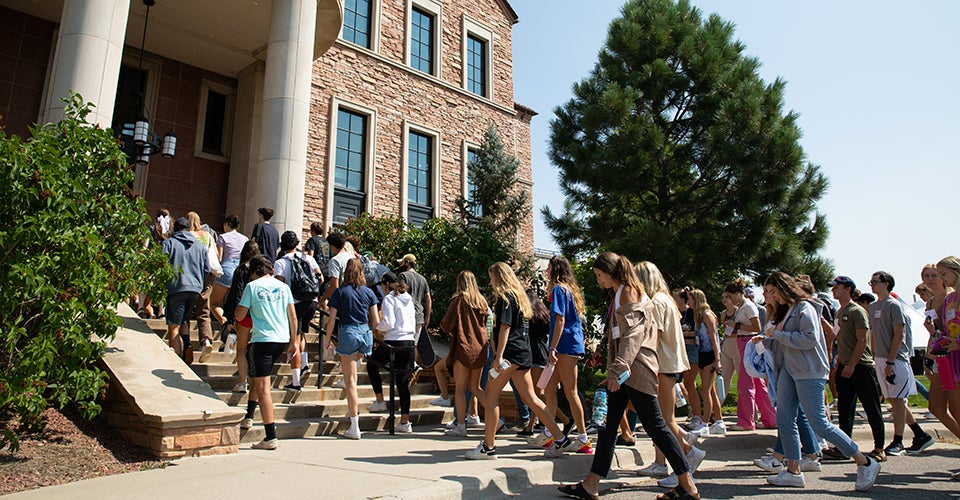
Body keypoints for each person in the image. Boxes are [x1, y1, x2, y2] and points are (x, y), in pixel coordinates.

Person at [559, 252, 698, 500]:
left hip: (635, 370)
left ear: (609, 272)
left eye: (599, 275)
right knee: (609, 427)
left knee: (657, 426)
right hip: (628, 371)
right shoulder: (627, 290)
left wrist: (618, 368)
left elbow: (633, 334)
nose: (598, 280)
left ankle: (687, 485)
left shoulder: (627, 291)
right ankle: (591, 484)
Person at [754, 271, 879, 491]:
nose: (770, 296)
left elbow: (809, 338)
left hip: (809, 372)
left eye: (773, 291)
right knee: (784, 419)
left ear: (784, 288)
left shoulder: (805, 307)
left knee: (819, 423)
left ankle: (865, 462)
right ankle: (793, 470)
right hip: (790, 371)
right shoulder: (788, 310)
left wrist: (777, 336)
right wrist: (767, 340)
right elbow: (787, 340)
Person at [465, 262, 571, 460]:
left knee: (490, 395)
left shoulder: (505, 298)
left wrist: (498, 356)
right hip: (524, 353)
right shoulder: (521, 298)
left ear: (499, 277)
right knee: (531, 398)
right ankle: (560, 437)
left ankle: (488, 447)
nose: (490, 282)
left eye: (491, 277)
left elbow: (505, 328)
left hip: (510, 355)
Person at [634, 261, 703, 488]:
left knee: (664, 420)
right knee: (660, 418)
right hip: (669, 364)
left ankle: (687, 455)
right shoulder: (666, 301)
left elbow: (655, 334)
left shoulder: (657, 302)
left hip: (663, 365)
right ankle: (662, 461)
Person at [868, 271, 934, 455]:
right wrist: (876, 357)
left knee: (898, 401)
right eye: (871, 282)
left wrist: (890, 360)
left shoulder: (894, 305)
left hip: (896, 359)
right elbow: (873, 333)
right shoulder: (873, 307)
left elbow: (899, 334)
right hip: (880, 358)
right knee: (893, 400)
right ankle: (919, 433)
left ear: (886, 283)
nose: (872, 285)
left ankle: (898, 441)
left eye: (875, 282)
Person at [235, 255, 298, 450]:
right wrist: (294, 341)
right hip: (281, 338)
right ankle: (249, 414)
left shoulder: (252, 287)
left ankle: (270, 435)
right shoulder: (284, 287)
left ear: (254, 272)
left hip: (262, 339)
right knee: (259, 378)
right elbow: (293, 317)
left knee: (263, 387)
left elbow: (239, 315)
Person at [825, 275, 886, 462]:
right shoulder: (839, 312)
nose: (833, 290)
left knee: (871, 407)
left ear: (848, 289)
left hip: (861, 366)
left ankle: (879, 448)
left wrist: (852, 364)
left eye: (838, 287)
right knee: (845, 409)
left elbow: (862, 341)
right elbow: (836, 335)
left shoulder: (857, 311)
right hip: (844, 365)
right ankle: (844, 447)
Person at [538, 255, 591, 455]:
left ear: (555, 269)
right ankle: (550, 432)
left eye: (549, 267)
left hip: (565, 345)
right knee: (550, 388)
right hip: (570, 343)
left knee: (570, 391)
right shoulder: (570, 290)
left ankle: (583, 438)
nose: (546, 271)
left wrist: (552, 348)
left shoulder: (559, 289)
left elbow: (559, 320)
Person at [323, 258, 379, 439]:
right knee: (354, 374)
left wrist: (327, 339)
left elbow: (331, 319)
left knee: (350, 382)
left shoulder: (340, 292)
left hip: (348, 332)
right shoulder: (369, 292)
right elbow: (376, 321)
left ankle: (354, 424)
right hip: (365, 334)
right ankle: (351, 408)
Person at [366, 271, 417, 433]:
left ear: (386, 285)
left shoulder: (389, 299)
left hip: (393, 340)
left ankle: (380, 399)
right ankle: (405, 421)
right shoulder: (409, 299)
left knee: (372, 365)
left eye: (382, 285)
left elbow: (389, 322)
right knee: (402, 382)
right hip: (409, 341)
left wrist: (377, 327)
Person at [440, 271, 489, 437]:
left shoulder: (459, 301)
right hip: (480, 348)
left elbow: (446, 325)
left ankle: (461, 426)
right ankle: (497, 417)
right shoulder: (482, 302)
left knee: (460, 389)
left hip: (463, 347)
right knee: (476, 388)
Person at [724, 278, 777, 431]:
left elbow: (756, 326)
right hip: (743, 341)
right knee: (757, 384)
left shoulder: (747, 306)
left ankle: (746, 421)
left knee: (745, 384)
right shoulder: (743, 306)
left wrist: (737, 325)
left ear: (736, 294)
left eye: (730, 295)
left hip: (747, 343)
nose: (729, 299)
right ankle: (770, 418)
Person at [273, 231, 322, 391]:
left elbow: (279, 285)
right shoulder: (308, 258)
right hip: (312, 301)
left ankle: (295, 381)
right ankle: (305, 364)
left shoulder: (280, 262)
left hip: (294, 303)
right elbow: (320, 277)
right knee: (301, 334)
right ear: (297, 244)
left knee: (294, 338)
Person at [161, 217, 209, 364]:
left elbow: (162, 264)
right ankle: (187, 344)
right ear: (189, 229)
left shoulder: (169, 243)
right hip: (195, 289)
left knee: (173, 327)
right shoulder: (200, 246)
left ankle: (174, 362)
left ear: (175, 229)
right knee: (184, 320)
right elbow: (206, 269)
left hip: (177, 288)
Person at [223, 240, 260, 393]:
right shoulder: (260, 271)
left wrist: (231, 317)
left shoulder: (241, 270)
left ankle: (243, 381)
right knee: (256, 349)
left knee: (242, 348)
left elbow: (236, 293)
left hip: (244, 313)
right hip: (259, 314)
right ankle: (256, 382)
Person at [186, 211, 223, 363]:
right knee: (204, 310)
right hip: (207, 275)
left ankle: (185, 344)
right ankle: (206, 341)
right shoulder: (207, 235)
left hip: (191, 274)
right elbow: (216, 255)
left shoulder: (187, 235)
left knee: (186, 310)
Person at [688, 289, 724, 437]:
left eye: (690, 299)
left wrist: (717, 359)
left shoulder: (707, 315)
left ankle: (705, 423)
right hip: (702, 353)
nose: (688, 302)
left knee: (705, 390)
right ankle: (718, 421)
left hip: (710, 355)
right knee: (710, 390)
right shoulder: (698, 316)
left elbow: (714, 338)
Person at [931, 258, 960, 437]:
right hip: (949, 358)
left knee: (957, 409)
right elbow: (945, 328)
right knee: (947, 409)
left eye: (943, 274)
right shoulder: (950, 298)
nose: (942, 278)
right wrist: (937, 340)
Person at [211, 214, 248, 328]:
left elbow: (220, 257)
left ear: (227, 224)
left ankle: (224, 322)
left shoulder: (223, 237)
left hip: (226, 268)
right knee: (234, 303)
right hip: (240, 271)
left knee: (214, 303)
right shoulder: (245, 238)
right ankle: (233, 324)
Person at [677, 288, 704, 434]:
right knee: (688, 384)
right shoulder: (684, 314)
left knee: (689, 383)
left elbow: (697, 332)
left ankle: (698, 416)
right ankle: (696, 415)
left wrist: (684, 333)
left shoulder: (695, 313)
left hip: (694, 351)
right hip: (686, 350)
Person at [397, 253, 433, 343]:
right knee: (414, 345)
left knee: (404, 346)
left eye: (402, 263)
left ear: (407, 263)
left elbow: (399, 294)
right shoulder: (423, 279)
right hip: (419, 317)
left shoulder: (403, 276)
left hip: (406, 316)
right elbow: (428, 298)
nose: (400, 265)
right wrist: (427, 317)